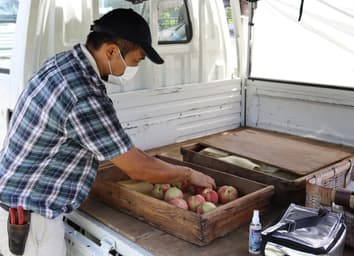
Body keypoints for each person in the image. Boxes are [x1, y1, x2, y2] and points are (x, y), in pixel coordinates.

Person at [0, 8, 215, 256]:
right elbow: (137, 167)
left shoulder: (64, 62)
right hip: (32, 221)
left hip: (16, 201)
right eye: (136, 60)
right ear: (112, 51)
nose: (133, 68)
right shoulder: (83, 93)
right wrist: (187, 174)